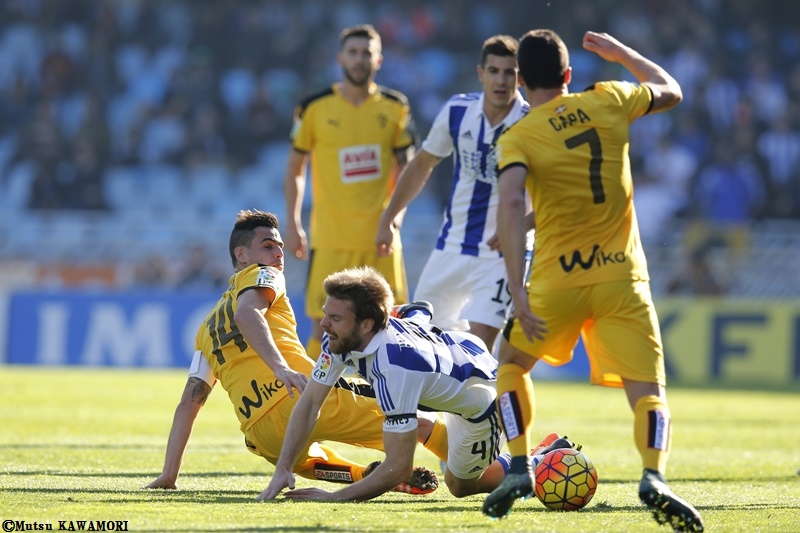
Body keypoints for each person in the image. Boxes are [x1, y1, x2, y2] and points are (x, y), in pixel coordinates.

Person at [482, 30, 705, 533]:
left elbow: (513, 202)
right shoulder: (610, 97)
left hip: (557, 280)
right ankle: (655, 476)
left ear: (519, 81)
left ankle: (519, 466)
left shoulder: (518, 135)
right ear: (568, 75)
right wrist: (622, 54)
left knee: (511, 362)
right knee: (647, 389)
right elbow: (670, 88)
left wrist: (517, 286)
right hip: (621, 276)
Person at [144, 210, 442, 495]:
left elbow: (189, 403)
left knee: (306, 461)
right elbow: (247, 315)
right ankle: (482, 470)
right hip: (298, 395)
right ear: (241, 255)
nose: (278, 254)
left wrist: (169, 474)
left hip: (262, 436)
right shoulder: (263, 274)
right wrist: (280, 369)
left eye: (280, 247)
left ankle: (362, 475)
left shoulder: (206, 330)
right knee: (415, 418)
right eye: (268, 245)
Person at [258, 266, 576, 502]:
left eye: (335, 318)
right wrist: (284, 467)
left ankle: (539, 460)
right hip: (456, 356)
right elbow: (311, 402)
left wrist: (331, 498)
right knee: (410, 421)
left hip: (481, 399)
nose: (324, 324)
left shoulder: (394, 368)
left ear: (367, 324)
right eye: (326, 314)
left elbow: (398, 468)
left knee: (461, 485)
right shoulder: (344, 337)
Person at [376, 34, 532, 351]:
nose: (500, 80)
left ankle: (493, 399)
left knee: (478, 352)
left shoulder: (533, 123)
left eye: (509, 72)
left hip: (503, 255)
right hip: (452, 246)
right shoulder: (457, 111)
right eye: (494, 71)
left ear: (521, 78)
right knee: (417, 345)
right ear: (481, 73)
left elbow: (559, 193)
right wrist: (388, 218)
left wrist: (522, 225)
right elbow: (421, 166)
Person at [284, 24, 417, 360]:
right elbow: (296, 169)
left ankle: (384, 409)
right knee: (323, 327)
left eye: (366, 53)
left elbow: (410, 169)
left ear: (379, 60)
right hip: (331, 237)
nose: (359, 60)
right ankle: (313, 407)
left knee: (391, 327)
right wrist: (292, 222)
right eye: (353, 52)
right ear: (340, 58)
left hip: (380, 238)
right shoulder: (314, 107)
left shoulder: (394, 107)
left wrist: (395, 217)